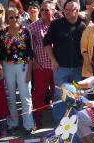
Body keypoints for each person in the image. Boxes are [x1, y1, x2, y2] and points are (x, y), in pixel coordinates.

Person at [44, 0, 86, 124]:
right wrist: (53, 60)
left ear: (77, 11)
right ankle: (60, 124)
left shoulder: (83, 26)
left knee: (77, 96)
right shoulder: (56, 24)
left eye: (70, 10)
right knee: (59, 96)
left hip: (78, 69)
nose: (67, 12)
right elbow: (46, 43)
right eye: (65, 10)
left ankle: (76, 122)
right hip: (61, 68)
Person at [0, 7, 34, 134]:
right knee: (11, 96)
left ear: (19, 17)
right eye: (11, 17)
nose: (14, 19)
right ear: (7, 18)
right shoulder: (3, 33)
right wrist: (1, 69)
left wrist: (30, 71)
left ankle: (28, 125)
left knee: (25, 96)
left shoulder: (25, 31)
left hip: (23, 66)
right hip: (8, 67)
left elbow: (30, 53)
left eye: (16, 17)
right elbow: (1, 54)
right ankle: (12, 123)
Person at [28, 0, 55, 130]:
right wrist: (33, 61)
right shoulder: (33, 27)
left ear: (53, 11)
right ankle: (37, 120)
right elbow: (27, 47)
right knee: (38, 95)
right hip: (41, 66)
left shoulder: (58, 25)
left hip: (57, 67)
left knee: (59, 94)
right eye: (42, 9)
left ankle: (61, 120)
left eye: (47, 10)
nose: (44, 12)